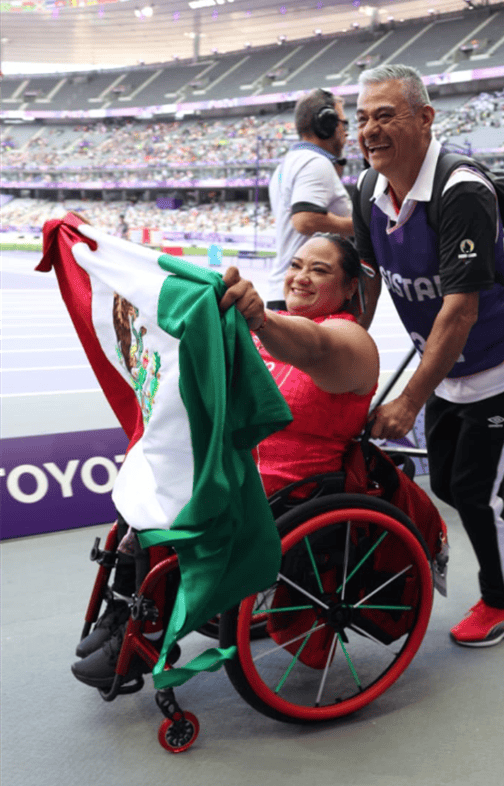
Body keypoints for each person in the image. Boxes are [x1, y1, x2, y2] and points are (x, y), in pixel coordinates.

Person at [72, 233, 379, 687]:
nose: (302, 277)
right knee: (145, 488)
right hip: (241, 471)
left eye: (320, 270)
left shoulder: (349, 339)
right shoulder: (272, 323)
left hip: (294, 491)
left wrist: (259, 319)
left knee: (180, 515)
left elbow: (313, 347)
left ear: (351, 287)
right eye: (296, 265)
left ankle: (145, 632)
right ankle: (124, 615)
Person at [352, 64, 504, 648]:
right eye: (362, 117)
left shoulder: (462, 190)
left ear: (425, 119)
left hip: (499, 356)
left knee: (472, 489)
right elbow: (369, 280)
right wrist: (340, 348)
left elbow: (460, 311)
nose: (369, 130)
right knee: (448, 480)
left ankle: (501, 605)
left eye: (385, 115)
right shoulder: (369, 190)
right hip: (446, 363)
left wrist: (408, 400)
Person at [267, 89, 354, 310]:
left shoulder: (287, 164)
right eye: (343, 123)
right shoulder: (315, 162)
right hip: (308, 293)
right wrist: (362, 225)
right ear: (326, 123)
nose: (345, 131)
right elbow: (305, 220)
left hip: (291, 290)